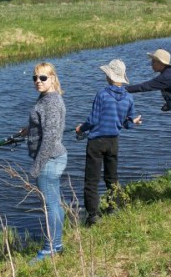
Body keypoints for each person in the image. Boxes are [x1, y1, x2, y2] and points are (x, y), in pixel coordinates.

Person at [75, 59, 141, 226]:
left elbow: (93, 120)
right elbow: (127, 123)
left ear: (109, 76)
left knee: (91, 180)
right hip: (113, 142)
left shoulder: (102, 94)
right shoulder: (128, 98)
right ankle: (113, 208)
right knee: (112, 177)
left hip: (96, 142)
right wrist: (134, 122)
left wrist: (81, 129)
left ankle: (93, 216)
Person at [126, 48, 171, 182]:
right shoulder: (169, 74)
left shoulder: (167, 76)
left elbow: (145, 86)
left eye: (153, 61)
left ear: (161, 63)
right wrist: (169, 105)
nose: (151, 64)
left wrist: (123, 89)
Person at [24, 62, 68, 260]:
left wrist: (37, 166)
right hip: (53, 158)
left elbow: (49, 139)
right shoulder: (47, 97)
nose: (38, 82)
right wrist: (28, 130)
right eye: (35, 78)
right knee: (54, 203)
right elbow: (42, 125)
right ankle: (57, 243)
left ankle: (52, 247)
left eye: (42, 78)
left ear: (52, 78)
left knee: (50, 205)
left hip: (49, 159)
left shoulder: (50, 102)